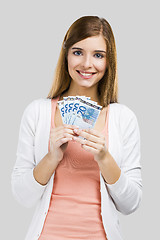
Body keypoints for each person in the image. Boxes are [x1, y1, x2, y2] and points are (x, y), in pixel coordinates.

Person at [11, 16, 142, 240]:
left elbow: (131, 204)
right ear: (66, 56)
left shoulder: (124, 118)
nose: (87, 64)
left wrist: (104, 158)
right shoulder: (37, 112)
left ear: (109, 62)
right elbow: (22, 197)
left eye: (98, 55)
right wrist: (51, 157)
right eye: (78, 52)